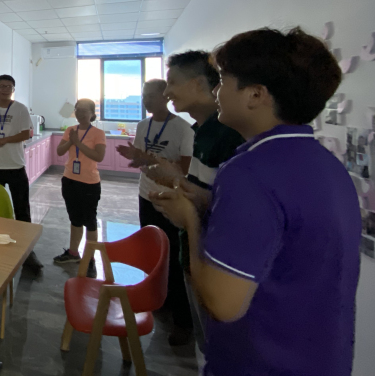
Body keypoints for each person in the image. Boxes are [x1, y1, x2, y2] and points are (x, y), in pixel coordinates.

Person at [151, 28, 361, 376]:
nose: (216, 92)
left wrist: (190, 220)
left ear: (255, 95)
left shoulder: (249, 172)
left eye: (224, 82)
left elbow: (222, 304)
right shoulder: (326, 164)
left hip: (260, 362)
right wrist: (205, 201)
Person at [147, 50, 245, 352]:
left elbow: (232, 209)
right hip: (196, 252)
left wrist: (180, 190)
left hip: (219, 265)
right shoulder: (200, 131)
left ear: (199, 83)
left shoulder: (229, 135)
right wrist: (177, 182)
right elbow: (207, 194)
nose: (166, 92)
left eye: (172, 82)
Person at [116, 79, 195, 345]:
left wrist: (147, 159)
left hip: (171, 199)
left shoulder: (182, 128)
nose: (145, 100)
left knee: (175, 256)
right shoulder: (143, 125)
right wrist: (136, 158)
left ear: (165, 97)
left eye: (150, 95)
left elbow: (184, 169)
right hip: (146, 195)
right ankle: (161, 300)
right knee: (152, 252)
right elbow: (141, 158)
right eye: (143, 95)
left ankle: (182, 320)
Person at [0, 74, 43, 272]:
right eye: (2, 86)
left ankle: (28, 252)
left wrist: (4, 140)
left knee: (22, 209)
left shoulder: (20, 109)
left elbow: (26, 133)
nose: (5, 89)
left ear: (13, 90)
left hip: (15, 165)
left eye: (9, 87)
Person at [52, 99, 107, 278]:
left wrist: (78, 143)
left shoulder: (98, 133)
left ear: (92, 114)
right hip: (69, 180)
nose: (80, 113)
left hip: (89, 182)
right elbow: (60, 151)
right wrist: (71, 141)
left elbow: (98, 156)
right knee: (75, 219)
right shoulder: (70, 130)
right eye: (78, 109)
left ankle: (90, 258)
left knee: (90, 220)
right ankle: (73, 253)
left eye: (85, 110)